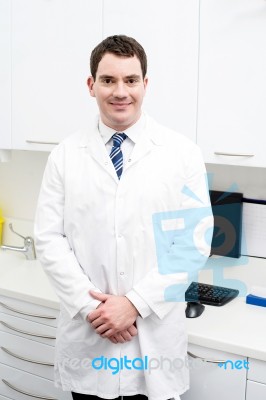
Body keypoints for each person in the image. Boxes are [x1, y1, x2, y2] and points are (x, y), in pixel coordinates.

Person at [34, 35, 213, 400]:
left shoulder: (183, 154)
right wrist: (93, 310)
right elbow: (49, 240)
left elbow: (192, 244)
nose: (120, 92)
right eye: (108, 80)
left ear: (145, 85)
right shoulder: (65, 156)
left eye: (131, 80)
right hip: (90, 337)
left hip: (153, 343)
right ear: (91, 85)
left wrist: (133, 305)